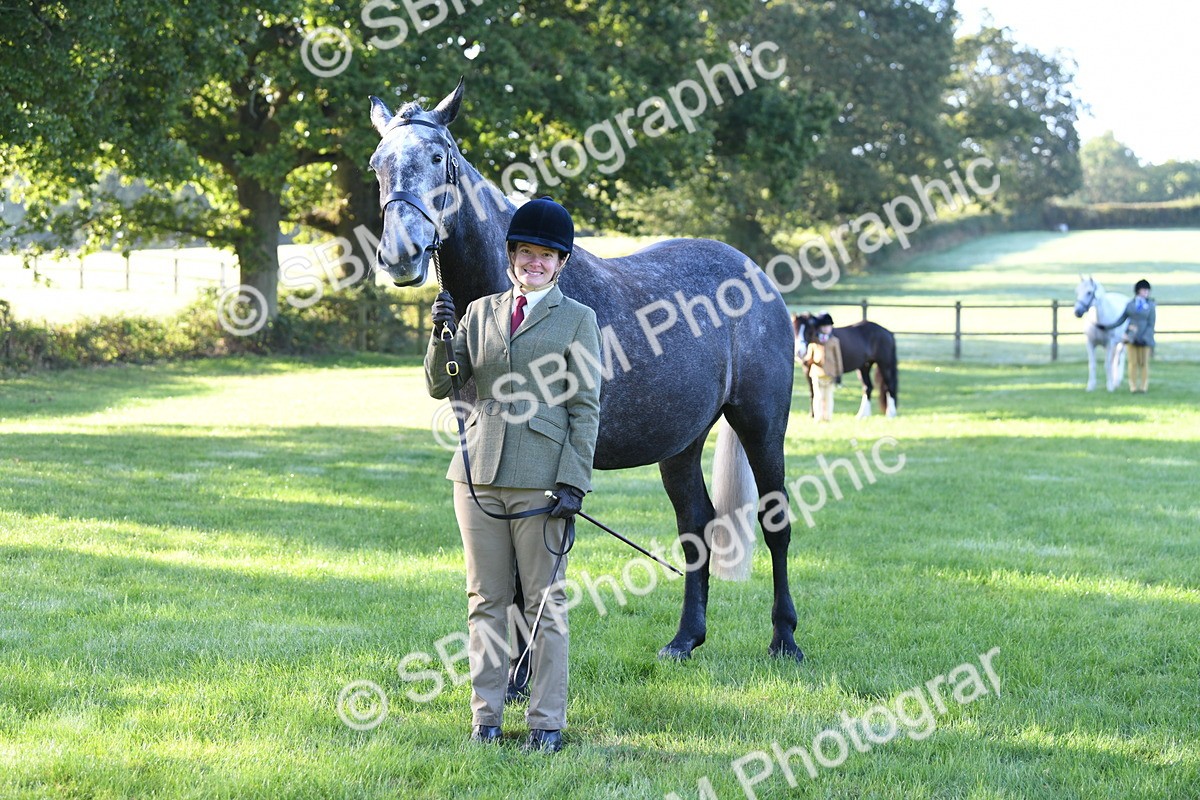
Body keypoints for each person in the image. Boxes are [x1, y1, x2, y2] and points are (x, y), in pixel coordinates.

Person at [424, 197, 602, 753]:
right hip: (476, 473)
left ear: (561, 263)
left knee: (543, 607)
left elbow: (585, 406)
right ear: (512, 256)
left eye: (547, 256)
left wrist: (573, 480)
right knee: (484, 601)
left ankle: (546, 723)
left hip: (541, 480)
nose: (535, 263)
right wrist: (440, 335)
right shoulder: (479, 312)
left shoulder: (579, 320)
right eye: (526, 253)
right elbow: (443, 382)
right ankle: (486, 718)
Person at [1112, 278, 1156, 393]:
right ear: (1138, 291)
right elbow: (1121, 319)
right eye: (1144, 289)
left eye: (1147, 290)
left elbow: (1151, 324)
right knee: (1132, 362)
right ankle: (1133, 386)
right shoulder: (1130, 305)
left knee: (1144, 362)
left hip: (1145, 339)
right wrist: (1108, 326)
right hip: (1131, 338)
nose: (1146, 292)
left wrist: (1144, 337)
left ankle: (1143, 386)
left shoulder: (1150, 306)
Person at [801, 313, 843, 421]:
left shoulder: (834, 342)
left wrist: (839, 373)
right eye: (823, 326)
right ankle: (818, 416)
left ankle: (827, 416)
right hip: (817, 373)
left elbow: (838, 359)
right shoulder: (814, 342)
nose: (825, 329)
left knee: (828, 396)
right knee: (818, 396)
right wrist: (806, 360)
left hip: (830, 373)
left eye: (828, 326)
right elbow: (809, 357)